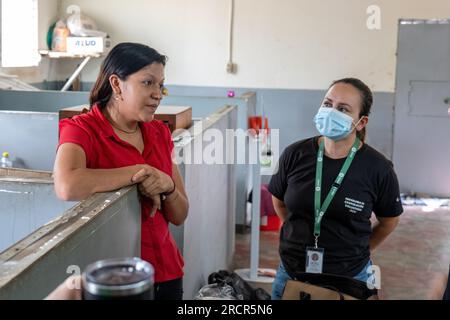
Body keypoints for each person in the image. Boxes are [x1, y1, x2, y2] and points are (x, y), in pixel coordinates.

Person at [53, 43, 189, 300]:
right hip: (114, 281)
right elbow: (66, 185)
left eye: (161, 85)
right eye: (148, 83)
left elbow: (180, 214)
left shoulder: (159, 133)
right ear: (116, 85)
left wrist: (167, 185)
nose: (158, 94)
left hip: (166, 272)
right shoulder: (82, 129)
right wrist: (140, 171)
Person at [269, 78, 403, 300]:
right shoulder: (294, 154)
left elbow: (389, 221)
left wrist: (359, 251)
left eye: (343, 109)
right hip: (292, 273)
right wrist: (296, 233)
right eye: (328, 104)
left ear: (361, 122)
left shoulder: (378, 168)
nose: (331, 112)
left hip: (349, 277)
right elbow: (279, 201)